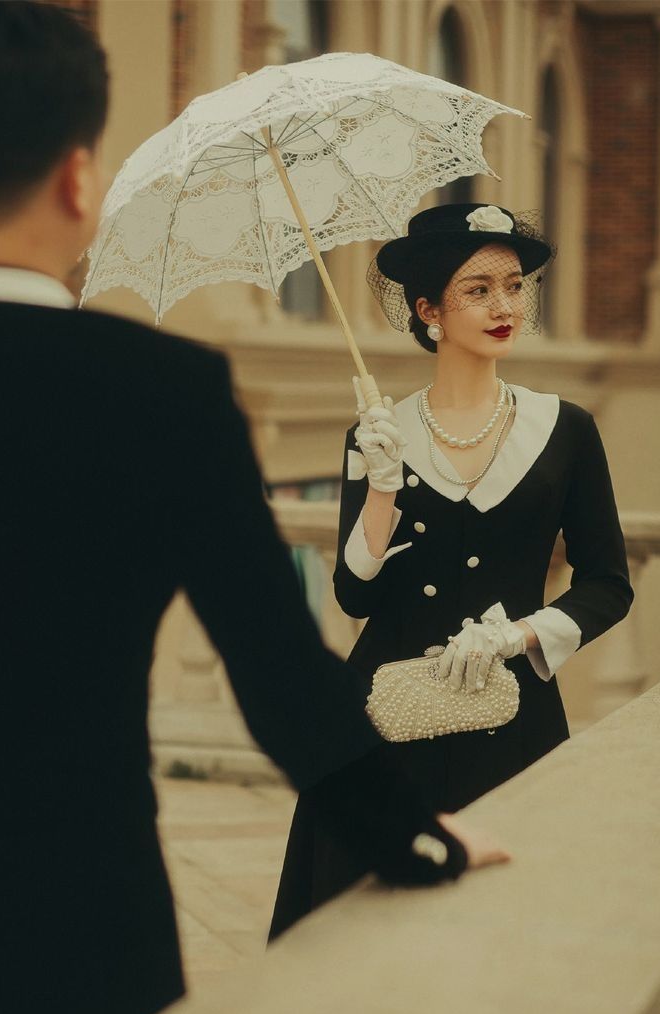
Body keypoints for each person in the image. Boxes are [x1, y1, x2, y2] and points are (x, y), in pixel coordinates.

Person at [0, 7, 508, 1014]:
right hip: (78, 936)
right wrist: (409, 839)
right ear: (74, 178)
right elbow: (281, 679)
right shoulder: (164, 398)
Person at [269, 202, 633, 938]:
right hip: (389, 721)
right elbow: (352, 593)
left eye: (514, 285)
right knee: (365, 935)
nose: (504, 305)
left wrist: (522, 636)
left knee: (510, 938)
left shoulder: (565, 428)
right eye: (478, 289)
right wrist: (379, 487)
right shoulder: (376, 433)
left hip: (515, 723)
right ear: (430, 309)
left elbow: (609, 581)